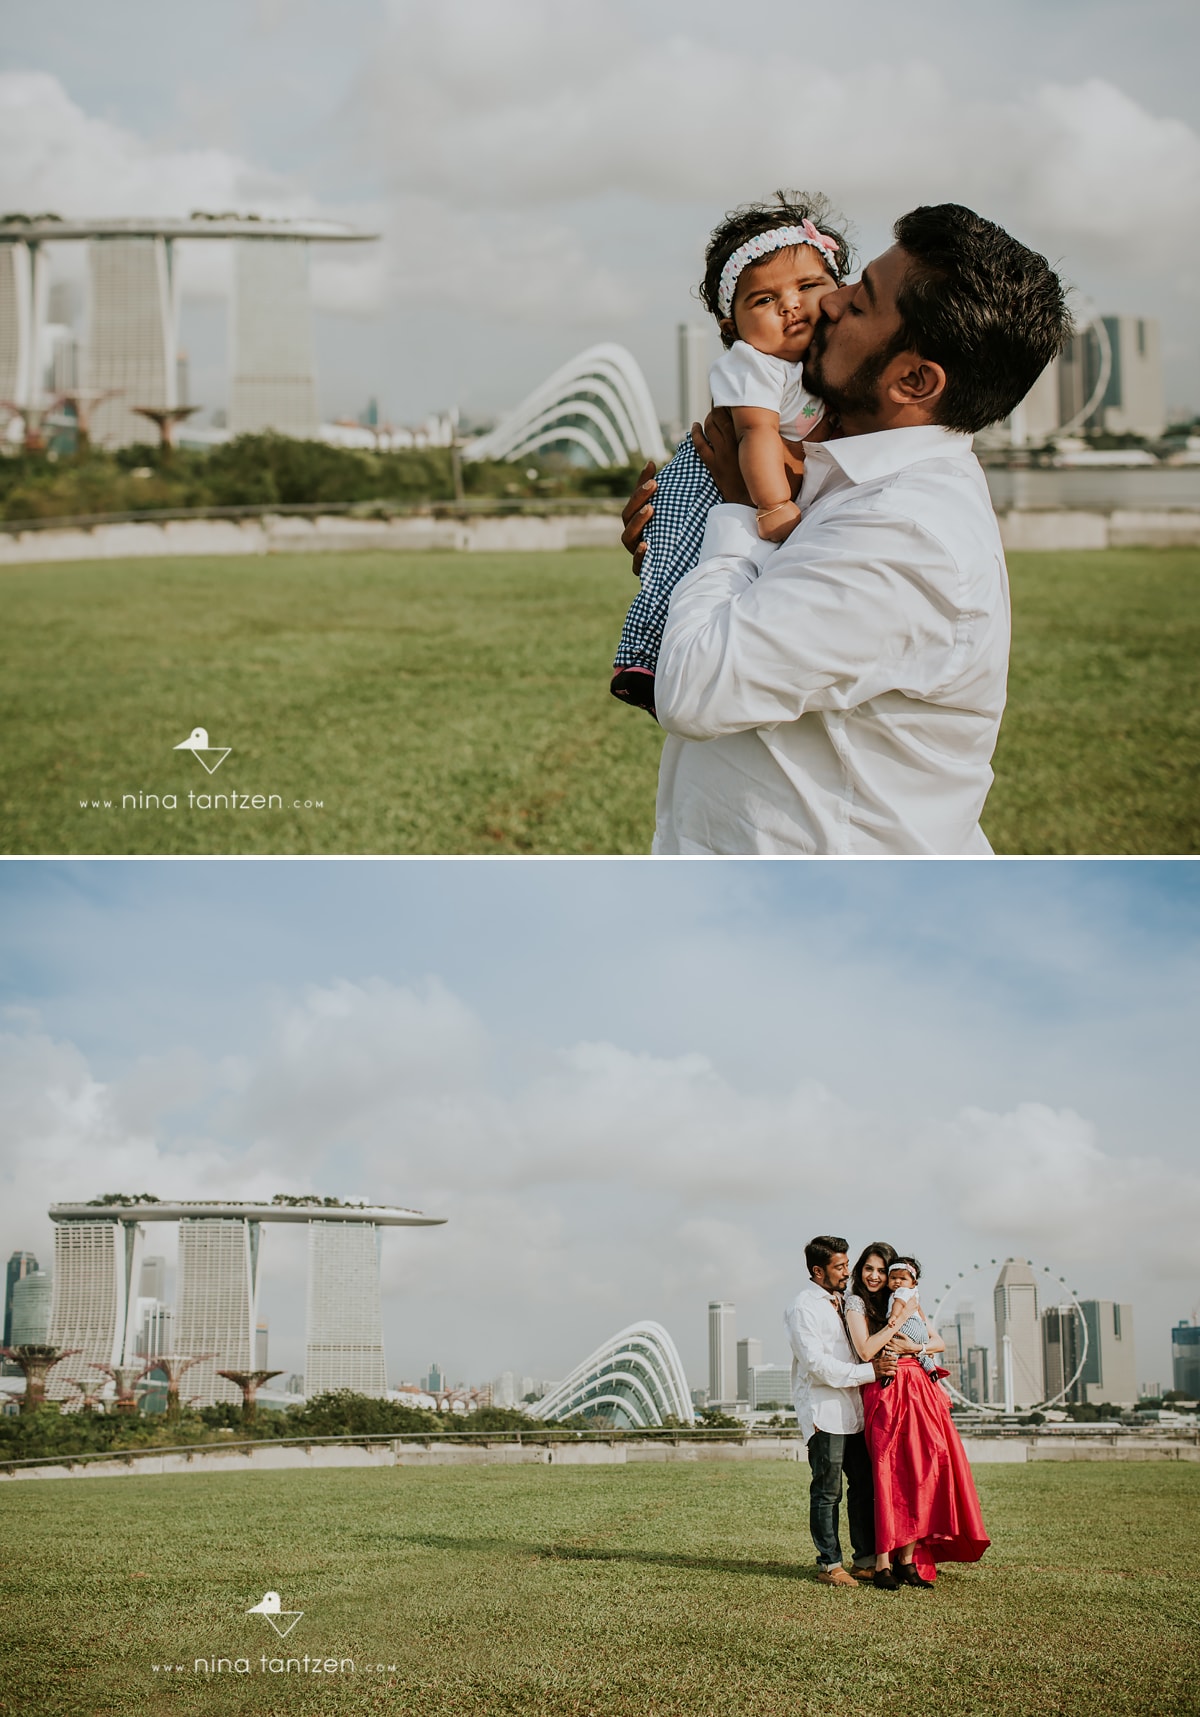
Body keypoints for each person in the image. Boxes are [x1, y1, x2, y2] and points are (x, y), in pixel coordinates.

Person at [619, 202, 1073, 854]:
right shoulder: (834, 471)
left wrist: (736, 511)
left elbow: (694, 687)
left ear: (914, 379)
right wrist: (682, 550)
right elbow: (749, 608)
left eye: (861, 304)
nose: (830, 301)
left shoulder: (907, 533)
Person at [611, 192, 849, 717]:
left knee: (701, 570)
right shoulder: (756, 365)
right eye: (764, 300)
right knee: (671, 564)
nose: (790, 304)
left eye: (809, 286)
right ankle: (646, 658)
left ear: (841, 294)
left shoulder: (819, 368)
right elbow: (758, 435)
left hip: (745, 480)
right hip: (707, 477)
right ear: (731, 329)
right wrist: (771, 506)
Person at [845, 1250, 990, 1588]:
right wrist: (898, 1322)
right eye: (870, 1269)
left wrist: (915, 1349)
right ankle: (882, 1563)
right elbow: (866, 1351)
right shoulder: (859, 1305)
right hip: (886, 1389)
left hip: (919, 1390)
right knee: (886, 1475)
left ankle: (907, 1560)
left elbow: (936, 1341)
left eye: (884, 1270)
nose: (877, 1277)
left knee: (920, 1471)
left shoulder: (907, 1299)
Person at [784, 1234, 896, 1587]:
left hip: (856, 1411)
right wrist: (870, 1372)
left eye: (848, 1264)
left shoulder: (847, 1301)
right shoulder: (804, 1308)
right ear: (818, 1271)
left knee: (864, 1486)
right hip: (825, 1412)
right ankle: (829, 1564)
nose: (848, 1271)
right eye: (840, 1266)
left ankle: (864, 1559)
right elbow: (817, 1365)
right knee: (828, 1491)